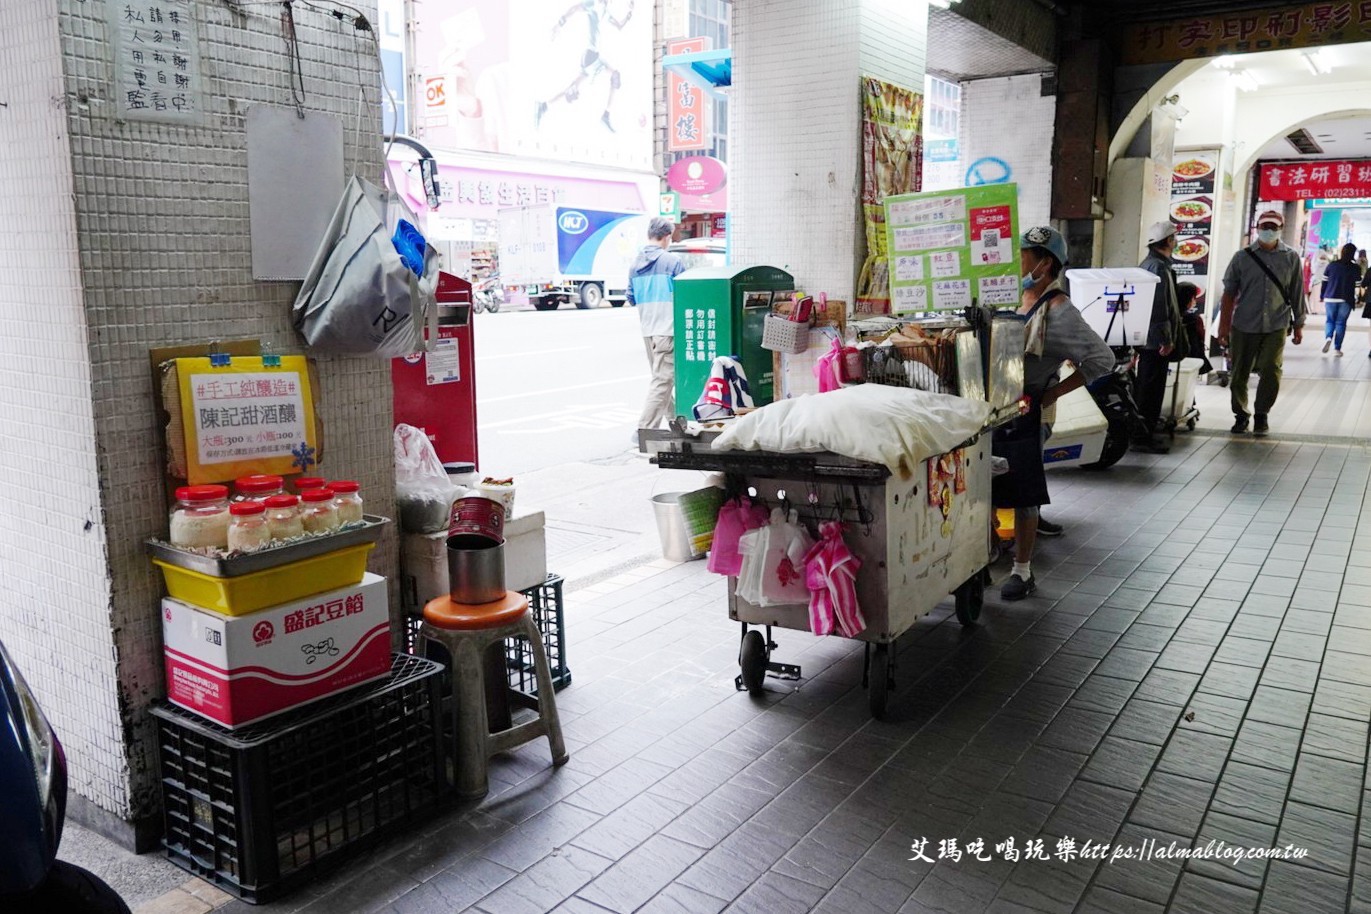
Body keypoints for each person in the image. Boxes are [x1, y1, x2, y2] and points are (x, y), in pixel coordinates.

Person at [995, 226, 1116, 601]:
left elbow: (1102, 359)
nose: (1016, 261)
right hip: (995, 406)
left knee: (1023, 493)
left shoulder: (1060, 311)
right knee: (988, 487)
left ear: (1044, 264)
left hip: (1027, 409)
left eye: (1023, 255)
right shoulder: (1013, 298)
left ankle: (1022, 571)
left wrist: (1052, 392)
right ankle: (988, 554)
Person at [1216, 210, 1306, 437]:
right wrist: (1223, 328)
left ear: (1281, 229)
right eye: (1264, 226)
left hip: (1277, 323)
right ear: (1257, 228)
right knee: (1239, 372)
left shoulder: (1291, 258)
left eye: (1273, 227)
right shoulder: (1242, 257)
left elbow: (1297, 292)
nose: (1268, 231)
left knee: (1271, 369)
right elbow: (1228, 294)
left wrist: (1298, 325)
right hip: (1244, 323)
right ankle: (1241, 414)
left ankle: (1261, 414)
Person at [535, 0, 634, 133]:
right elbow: (575, 8)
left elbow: (619, 26)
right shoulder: (593, 3)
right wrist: (559, 24)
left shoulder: (606, 11)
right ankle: (605, 116)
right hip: (591, 56)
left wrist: (629, 13)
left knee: (573, 90)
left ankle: (544, 106)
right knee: (615, 76)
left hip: (590, 57)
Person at [627, 217, 684, 442]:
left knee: (662, 379)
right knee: (663, 381)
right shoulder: (672, 262)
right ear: (667, 237)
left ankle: (678, 425)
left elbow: (631, 298)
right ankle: (644, 429)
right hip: (668, 329)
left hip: (648, 330)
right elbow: (684, 294)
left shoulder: (634, 265)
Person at [1134, 221, 1186, 453]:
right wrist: (1165, 338)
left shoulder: (1154, 264)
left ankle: (1144, 433)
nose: (1176, 241)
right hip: (1154, 341)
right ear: (1167, 241)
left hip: (1150, 338)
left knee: (1149, 386)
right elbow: (1157, 307)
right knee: (1151, 389)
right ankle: (1143, 437)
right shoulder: (1158, 268)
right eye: (1174, 237)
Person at [1320, 242, 1360, 357]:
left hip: (1330, 297)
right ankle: (1337, 348)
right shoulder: (1355, 268)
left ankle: (1328, 337)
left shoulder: (1332, 265)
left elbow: (1324, 282)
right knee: (1341, 323)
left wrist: (1322, 296)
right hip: (1346, 299)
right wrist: (1357, 299)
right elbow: (1357, 286)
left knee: (1329, 320)